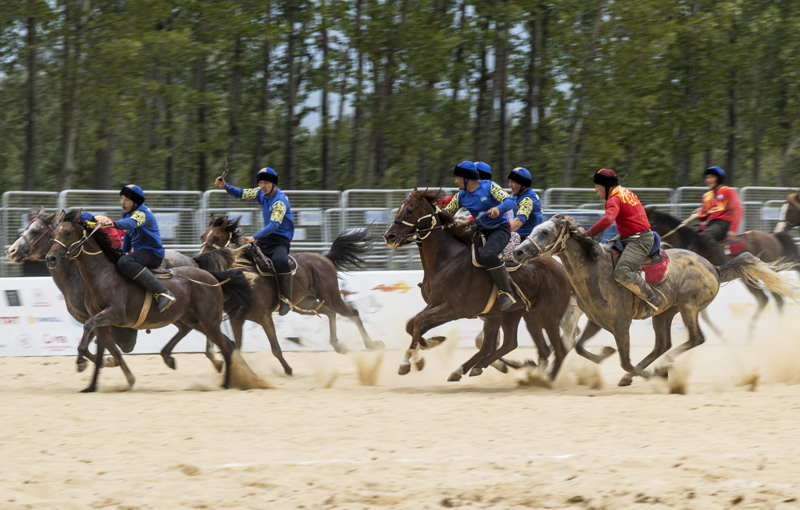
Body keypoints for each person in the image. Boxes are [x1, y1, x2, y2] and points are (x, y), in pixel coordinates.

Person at [584, 169, 664, 320]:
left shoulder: (613, 199)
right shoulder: (625, 192)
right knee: (603, 254)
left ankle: (653, 300)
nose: (595, 190)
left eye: (597, 186)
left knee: (621, 272)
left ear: (606, 185)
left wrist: (588, 234)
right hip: (630, 236)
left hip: (639, 240)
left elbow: (608, 220)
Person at [215, 167, 295, 315]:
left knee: (280, 261)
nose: (262, 186)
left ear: (274, 183)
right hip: (266, 238)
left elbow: (274, 225)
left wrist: (254, 237)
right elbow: (241, 193)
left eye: (266, 183)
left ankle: (286, 299)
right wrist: (225, 185)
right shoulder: (260, 193)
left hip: (280, 239)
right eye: (260, 182)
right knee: (243, 257)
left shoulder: (280, 201)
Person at [443, 161, 518, 310]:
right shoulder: (461, 196)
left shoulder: (490, 187)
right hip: (481, 230)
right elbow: (446, 213)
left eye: (457, 178)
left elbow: (510, 201)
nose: (455, 181)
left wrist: (499, 209)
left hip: (500, 230)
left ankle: (507, 293)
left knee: (488, 254)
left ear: (466, 178)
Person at [102, 185, 176, 312]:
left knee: (125, 262)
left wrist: (111, 224)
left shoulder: (142, 214)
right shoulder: (127, 213)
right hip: (141, 253)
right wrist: (124, 252)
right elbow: (128, 234)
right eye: (122, 198)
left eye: (126, 199)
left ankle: (163, 293)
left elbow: (129, 223)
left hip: (153, 254)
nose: (122, 203)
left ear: (136, 202)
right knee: (120, 259)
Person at [694, 166, 741, 267]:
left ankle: (724, 267)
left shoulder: (728, 191)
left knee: (706, 235)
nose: (708, 180)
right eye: (706, 178)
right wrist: (698, 214)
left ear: (719, 178)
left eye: (711, 177)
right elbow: (703, 217)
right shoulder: (706, 196)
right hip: (711, 225)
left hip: (724, 224)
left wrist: (732, 230)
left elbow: (737, 211)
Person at [507, 167, 542, 242]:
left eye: (513, 182)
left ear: (523, 184)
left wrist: (500, 232)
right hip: (519, 236)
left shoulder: (528, 199)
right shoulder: (516, 195)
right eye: (510, 181)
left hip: (530, 239)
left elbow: (518, 222)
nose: (510, 185)